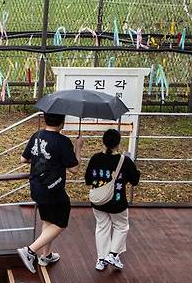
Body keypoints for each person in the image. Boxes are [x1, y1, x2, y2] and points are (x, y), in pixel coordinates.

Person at [17, 113, 83, 273]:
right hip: (54, 190)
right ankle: (30, 251)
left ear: (46, 119)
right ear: (62, 122)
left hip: (37, 187)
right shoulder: (62, 141)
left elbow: (23, 159)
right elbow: (74, 169)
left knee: (48, 221)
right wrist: (78, 148)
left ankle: (46, 256)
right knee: (60, 223)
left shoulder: (37, 135)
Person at [85, 129, 140, 271]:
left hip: (98, 201)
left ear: (103, 141)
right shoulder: (124, 160)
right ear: (118, 142)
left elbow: (88, 179)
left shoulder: (95, 158)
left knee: (102, 227)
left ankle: (101, 259)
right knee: (121, 226)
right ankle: (113, 254)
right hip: (117, 202)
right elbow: (134, 180)